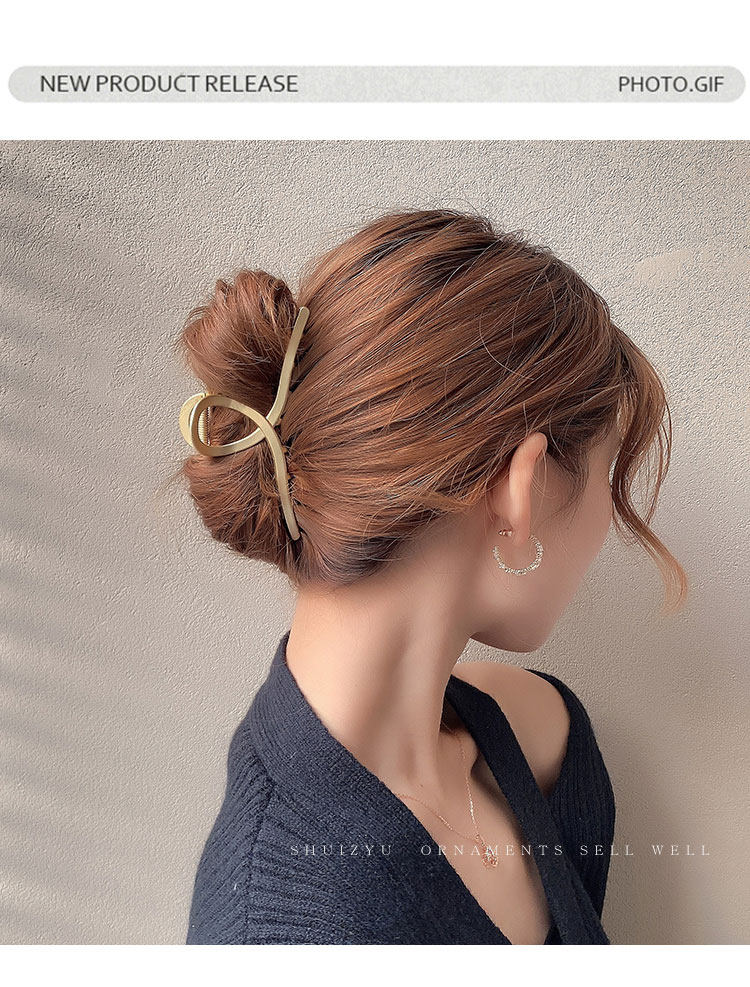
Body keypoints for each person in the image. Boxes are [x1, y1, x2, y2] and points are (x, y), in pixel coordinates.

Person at [176, 208, 687, 945]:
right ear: (524, 488)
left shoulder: (541, 740)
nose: (609, 524)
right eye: (610, 476)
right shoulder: (270, 934)